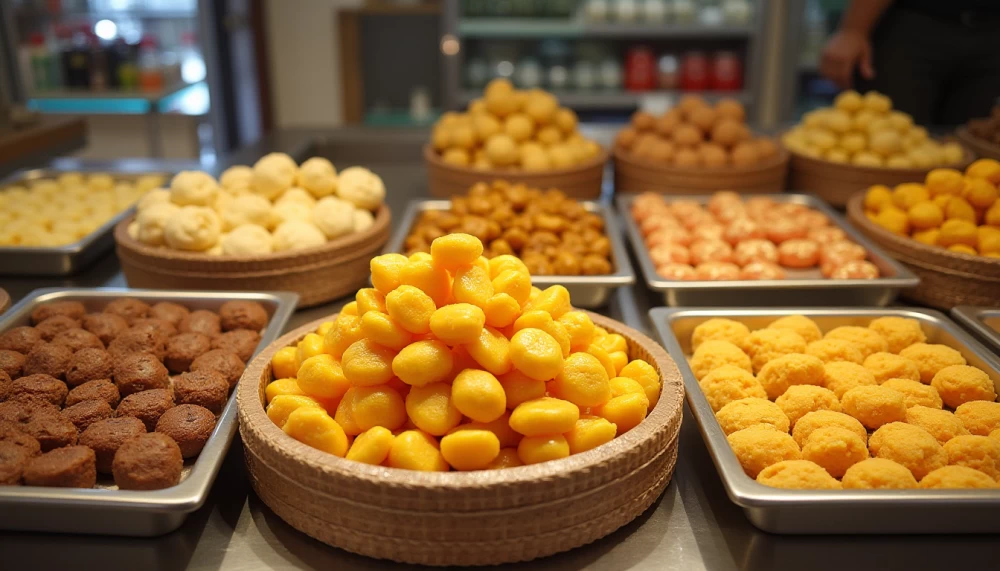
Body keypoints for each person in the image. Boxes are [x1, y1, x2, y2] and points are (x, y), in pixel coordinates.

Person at [820, 0, 1000, 127]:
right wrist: (853, 29)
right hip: (912, 21)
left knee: (975, 152)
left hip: (992, 31)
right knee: (886, 136)